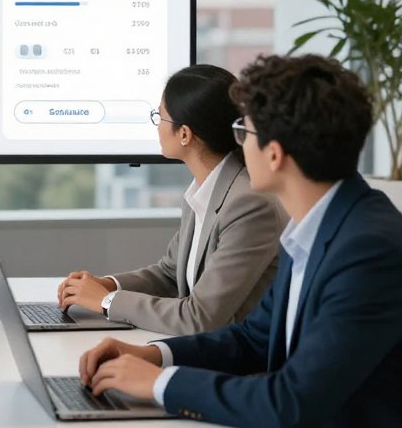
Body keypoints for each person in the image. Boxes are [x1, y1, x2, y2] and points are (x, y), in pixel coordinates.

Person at [79, 54, 402, 428]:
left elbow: (290, 402)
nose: (236, 145)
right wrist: (153, 355)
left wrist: (161, 384)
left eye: (242, 131)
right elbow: (254, 338)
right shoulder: (319, 224)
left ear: (274, 153)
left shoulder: (367, 249)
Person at [58, 64, 286, 333]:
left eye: (160, 117)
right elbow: (169, 274)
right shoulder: (204, 189)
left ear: (185, 134)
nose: (157, 127)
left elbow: (199, 317)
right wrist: (107, 285)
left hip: (239, 363)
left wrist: (107, 302)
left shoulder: (248, 204)